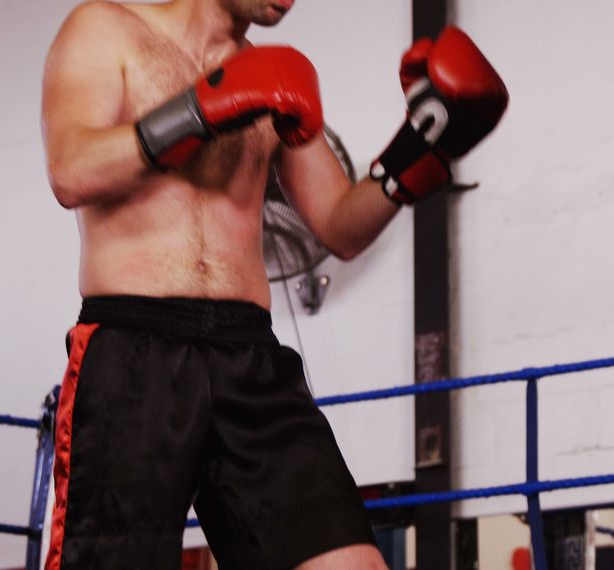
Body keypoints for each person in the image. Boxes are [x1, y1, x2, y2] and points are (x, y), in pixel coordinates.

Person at [41, 0, 507, 567]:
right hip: (136, 348)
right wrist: (200, 109)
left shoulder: (279, 79)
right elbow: (71, 169)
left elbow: (339, 225)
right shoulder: (107, 28)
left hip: (251, 359)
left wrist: (423, 147)